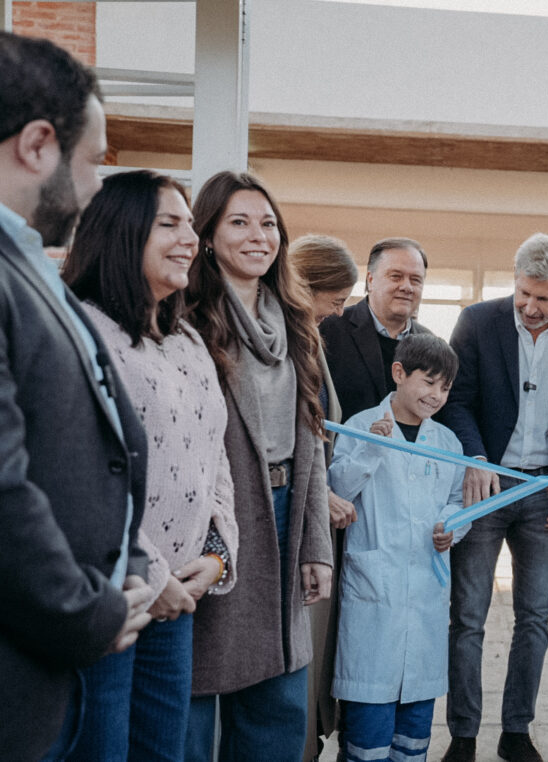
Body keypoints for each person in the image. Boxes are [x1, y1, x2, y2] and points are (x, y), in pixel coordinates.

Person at [0, 32, 151, 760]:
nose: (96, 187)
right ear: (37, 145)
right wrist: (89, 614)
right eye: (92, 161)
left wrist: (130, 561)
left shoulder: (24, 263)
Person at [59, 170, 239, 760]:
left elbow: (215, 457)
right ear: (122, 232)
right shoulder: (85, 332)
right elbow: (81, 473)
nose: (190, 237)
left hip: (178, 603)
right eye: (169, 223)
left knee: (165, 752)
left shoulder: (187, 339)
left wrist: (217, 554)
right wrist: (152, 573)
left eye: (191, 224)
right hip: (110, 595)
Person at [184, 171, 334, 761]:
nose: (258, 236)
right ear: (208, 235)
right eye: (239, 222)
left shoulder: (296, 322)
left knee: (279, 699)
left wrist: (316, 543)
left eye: (268, 223)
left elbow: (314, 444)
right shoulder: (188, 317)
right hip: (217, 520)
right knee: (200, 686)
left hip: (286, 512)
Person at [437, 233, 548, 762]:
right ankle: (463, 735)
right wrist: (476, 459)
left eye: (544, 299)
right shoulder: (477, 321)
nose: (530, 307)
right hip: (483, 487)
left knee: (535, 615)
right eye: (523, 294)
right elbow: (456, 402)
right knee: (468, 617)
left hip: (544, 490)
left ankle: (516, 731)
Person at [328, 334, 467, 762]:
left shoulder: (447, 442)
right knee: (369, 729)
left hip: (425, 593)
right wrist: (373, 447)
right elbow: (337, 491)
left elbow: (457, 501)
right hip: (375, 594)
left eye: (444, 388)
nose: (435, 395)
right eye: (428, 382)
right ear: (399, 373)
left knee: (413, 729)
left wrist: (451, 528)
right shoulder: (358, 427)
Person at [290, 233, 361, 761]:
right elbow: (298, 434)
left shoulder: (308, 334)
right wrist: (322, 495)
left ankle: (308, 738)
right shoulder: (286, 335)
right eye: (335, 301)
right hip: (294, 510)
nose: (337, 312)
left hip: (316, 502)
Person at [320, 236, 432, 421]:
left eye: (415, 280)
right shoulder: (329, 329)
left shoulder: (431, 345)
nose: (406, 287)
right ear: (370, 280)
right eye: (396, 276)